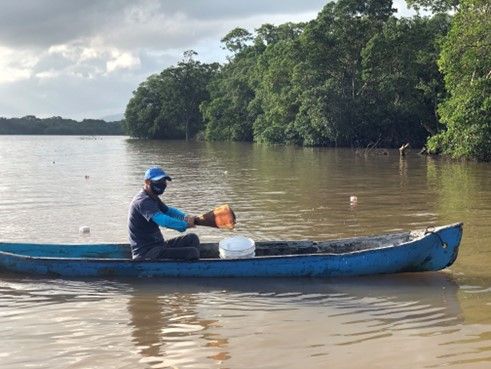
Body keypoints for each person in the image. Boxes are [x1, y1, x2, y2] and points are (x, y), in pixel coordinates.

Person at [128, 166, 200, 260]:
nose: (162, 184)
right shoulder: (143, 201)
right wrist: (185, 225)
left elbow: (169, 211)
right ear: (147, 182)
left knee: (192, 238)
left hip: (159, 246)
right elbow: (163, 220)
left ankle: (188, 268)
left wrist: (185, 217)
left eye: (163, 181)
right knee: (192, 252)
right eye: (158, 181)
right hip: (146, 253)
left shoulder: (153, 197)